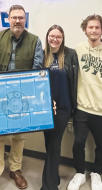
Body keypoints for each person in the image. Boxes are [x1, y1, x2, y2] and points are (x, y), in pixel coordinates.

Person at [0, 4, 43, 190]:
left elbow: (37, 69)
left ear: (25, 19)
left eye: (21, 18)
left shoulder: (35, 41)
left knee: (19, 135)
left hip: (23, 95)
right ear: (8, 19)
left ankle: (15, 169)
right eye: (14, 17)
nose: (17, 21)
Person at [67, 14, 102, 190]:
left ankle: (97, 173)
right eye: (90, 27)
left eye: (97, 27)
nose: (94, 30)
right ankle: (80, 173)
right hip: (81, 107)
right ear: (85, 30)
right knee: (78, 143)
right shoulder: (79, 48)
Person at [40, 25, 78, 190]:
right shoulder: (41, 55)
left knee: (55, 145)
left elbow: (75, 81)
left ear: (63, 39)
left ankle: (48, 186)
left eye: (58, 37)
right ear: (47, 37)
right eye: (51, 36)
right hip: (45, 108)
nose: (54, 39)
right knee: (49, 144)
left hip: (63, 108)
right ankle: (53, 178)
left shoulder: (70, 54)